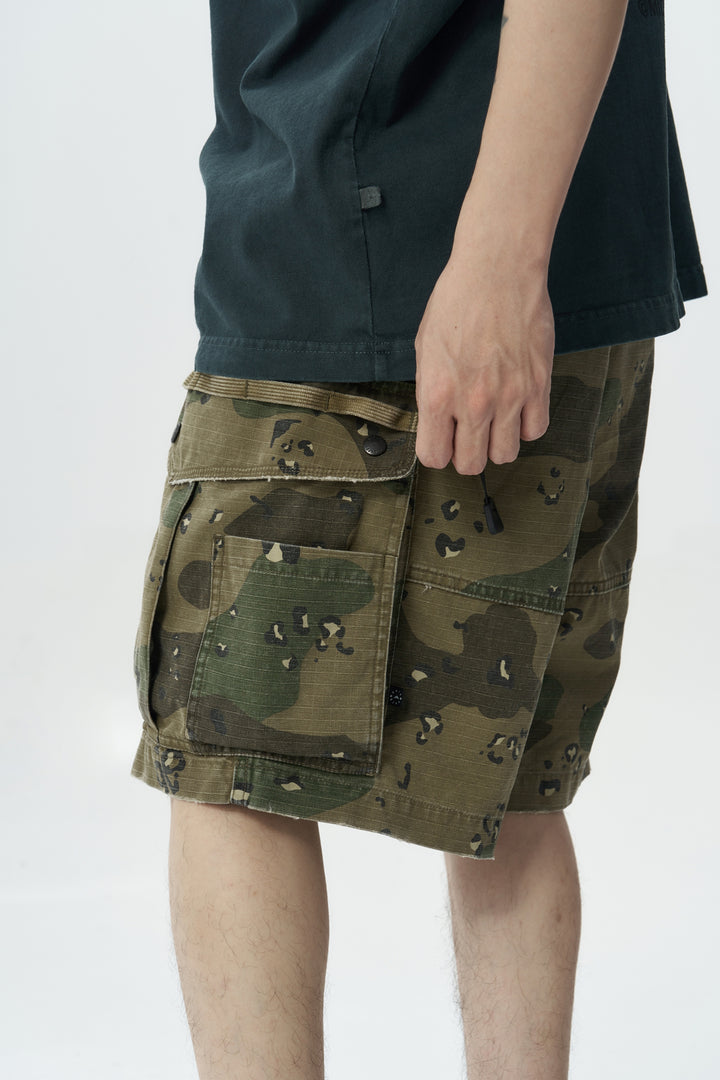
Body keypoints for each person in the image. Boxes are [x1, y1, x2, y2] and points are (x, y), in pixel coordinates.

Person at [130, 1, 707, 1077]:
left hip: (398, 242)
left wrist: (498, 260)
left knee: (227, 760)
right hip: (519, 232)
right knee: (512, 781)